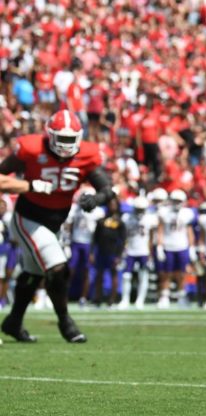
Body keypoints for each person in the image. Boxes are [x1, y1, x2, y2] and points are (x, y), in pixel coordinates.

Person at [0, 110, 115, 343]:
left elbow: (107, 189)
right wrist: (29, 185)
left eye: (70, 140)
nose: (65, 145)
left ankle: (13, 321)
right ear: (50, 136)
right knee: (57, 267)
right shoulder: (31, 148)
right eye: (61, 139)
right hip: (28, 217)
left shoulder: (88, 155)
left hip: (56, 221)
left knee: (33, 273)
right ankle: (65, 322)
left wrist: (95, 199)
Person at [156, 189, 196, 309]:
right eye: (175, 200)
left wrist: (192, 247)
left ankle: (181, 296)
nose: (177, 203)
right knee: (166, 273)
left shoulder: (187, 213)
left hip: (182, 246)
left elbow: (189, 232)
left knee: (182, 273)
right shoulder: (164, 212)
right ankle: (164, 296)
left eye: (179, 201)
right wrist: (159, 246)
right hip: (168, 246)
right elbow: (160, 230)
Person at [67, 188, 106, 306]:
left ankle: (83, 298)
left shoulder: (98, 212)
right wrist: (67, 243)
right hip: (75, 242)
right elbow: (69, 226)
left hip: (89, 243)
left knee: (87, 271)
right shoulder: (74, 209)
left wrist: (94, 249)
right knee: (70, 270)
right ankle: (63, 295)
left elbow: (100, 232)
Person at [120, 196, 157, 310]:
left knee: (143, 276)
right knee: (126, 276)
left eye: (142, 209)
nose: (140, 211)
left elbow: (151, 237)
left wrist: (150, 254)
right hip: (130, 250)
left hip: (143, 251)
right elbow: (124, 236)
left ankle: (140, 300)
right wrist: (122, 250)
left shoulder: (150, 218)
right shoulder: (127, 218)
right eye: (138, 209)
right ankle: (125, 299)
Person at [91, 198, 126, 307]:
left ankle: (112, 299)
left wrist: (119, 255)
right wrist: (92, 252)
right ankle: (98, 298)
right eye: (110, 204)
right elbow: (95, 238)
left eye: (114, 204)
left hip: (113, 252)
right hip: (101, 251)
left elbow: (123, 240)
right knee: (99, 275)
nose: (112, 206)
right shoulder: (101, 221)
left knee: (113, 274)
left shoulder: (120, 222)